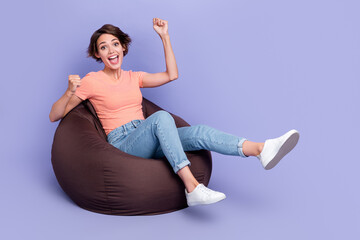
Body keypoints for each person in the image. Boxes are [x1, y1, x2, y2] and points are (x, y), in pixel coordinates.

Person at [49, 18, 300, 207]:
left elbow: (172, 75)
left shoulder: (133, 77)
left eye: (115, 43)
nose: (111, 50)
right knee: (160, 118)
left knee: (198, 132)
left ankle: (260, 150)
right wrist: (70, 91)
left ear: (124, 47)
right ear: (97, 54)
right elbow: (54, 115)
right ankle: (192, 186)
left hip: (149, 136)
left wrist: (165, 37)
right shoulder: (91, 81)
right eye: (104, 47)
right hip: (123, 143)